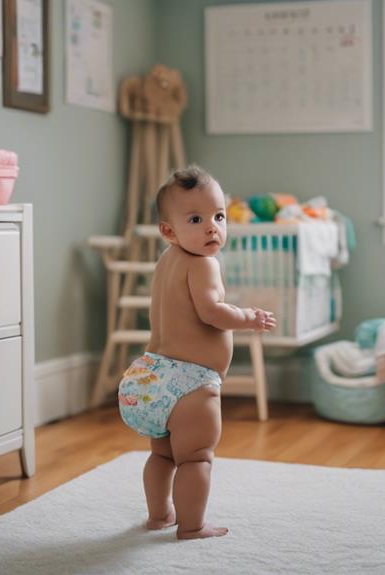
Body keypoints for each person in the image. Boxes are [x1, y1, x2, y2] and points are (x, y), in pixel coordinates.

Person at [117, 165, 276, 539]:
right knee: (196, 458)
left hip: (149, 377)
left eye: (219, 216)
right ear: (169, 230)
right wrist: (248, 316)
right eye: (196, 218)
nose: (212, 227)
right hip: (188, 384)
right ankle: (191, 526)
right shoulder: (204, 264)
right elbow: (211, 312)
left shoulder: (166, 260)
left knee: (162, 455)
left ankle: (159, 516)